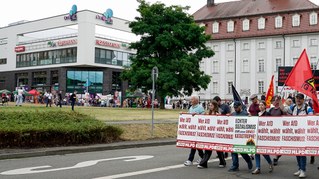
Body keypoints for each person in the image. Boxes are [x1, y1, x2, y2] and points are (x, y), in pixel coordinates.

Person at [197, 100, 226, 169]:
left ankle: (222, 162)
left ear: (215, 106)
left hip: (217, 134)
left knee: (218, 149)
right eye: (209, 105)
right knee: (208, 148)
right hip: (210, 135)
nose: (210, 106)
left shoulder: (218, 113)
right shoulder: (209, 113)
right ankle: (204, 163)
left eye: (211, 105)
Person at [291, 93, 313, 178]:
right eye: (297, 98)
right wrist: (279, 101)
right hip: (295, 134)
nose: (298, 100)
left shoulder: (308, 108)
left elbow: (312, 118)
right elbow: (284, 110)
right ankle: (300, 168)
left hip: (304, 134)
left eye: (300, 98)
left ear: (303, 100)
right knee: (297, 152)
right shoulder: (293, 108)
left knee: (302, 152)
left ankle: (303, 170)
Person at [228, 101, 253, 172]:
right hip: (234, 135)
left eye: (237, 107)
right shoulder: (232, 114)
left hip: (242, 136)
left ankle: (248, 160)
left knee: (242, 151)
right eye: (234, 108)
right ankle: (235, 165)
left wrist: (250, 118)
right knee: (233, 151)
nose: (235, 109)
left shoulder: (245, 114)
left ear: (240, 106)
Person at [252, 100, 273, 174]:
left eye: (262, 105)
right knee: (256, 152)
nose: (260, 106)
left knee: (264, 152)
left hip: (264, 136)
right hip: (257, 135)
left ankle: (270, 162)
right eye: (259, 105)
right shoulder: (257, 114)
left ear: (265, 106)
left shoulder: (268, 114)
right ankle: (258, 167)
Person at [184, 95, 204, 166]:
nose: (190, 101)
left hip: (198, 129)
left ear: (196, 100)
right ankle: (203, 157)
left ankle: (190, 160)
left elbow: (204, 117)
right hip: (192, 129)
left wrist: (197, 115)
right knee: (196, 145)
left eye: (192, 99)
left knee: (194, 145)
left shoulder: (200, 107)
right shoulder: (191, 108)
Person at [270, 95, 286, 166]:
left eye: (275, 100)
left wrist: (280, 102)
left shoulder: (281, 109)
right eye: (273, 100)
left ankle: (277, 157)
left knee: (280, 145)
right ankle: (276, 157)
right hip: (273, 130)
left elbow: (284, 111)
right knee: (275, 145)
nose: (273, 102)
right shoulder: (271, 110)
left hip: (281, 130)